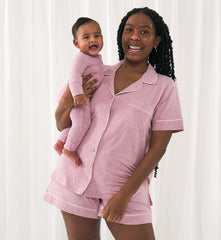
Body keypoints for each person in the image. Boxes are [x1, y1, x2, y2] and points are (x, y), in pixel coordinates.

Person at [44, 7, 184, 240]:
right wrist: (69, 97)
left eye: (144, 31)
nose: (135, 37)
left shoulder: (164, 88)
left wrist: (123, 196)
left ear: (156, 40)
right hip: (75, 180)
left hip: (123, 187)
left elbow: (158, 148)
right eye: (129, 30)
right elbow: (61, 123)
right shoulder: (96, 73)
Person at [53, 17, 104, 166]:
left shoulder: (96, 58)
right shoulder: (81, 58)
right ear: (76, 43)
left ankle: (61, 141)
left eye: (97, 35)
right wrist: (77, 95)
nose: (92, 40)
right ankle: (69, 149)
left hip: (81, 96)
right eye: (86, 37)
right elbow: (74, 76)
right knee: (83, 121)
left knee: (76, 122)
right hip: (76, 97)